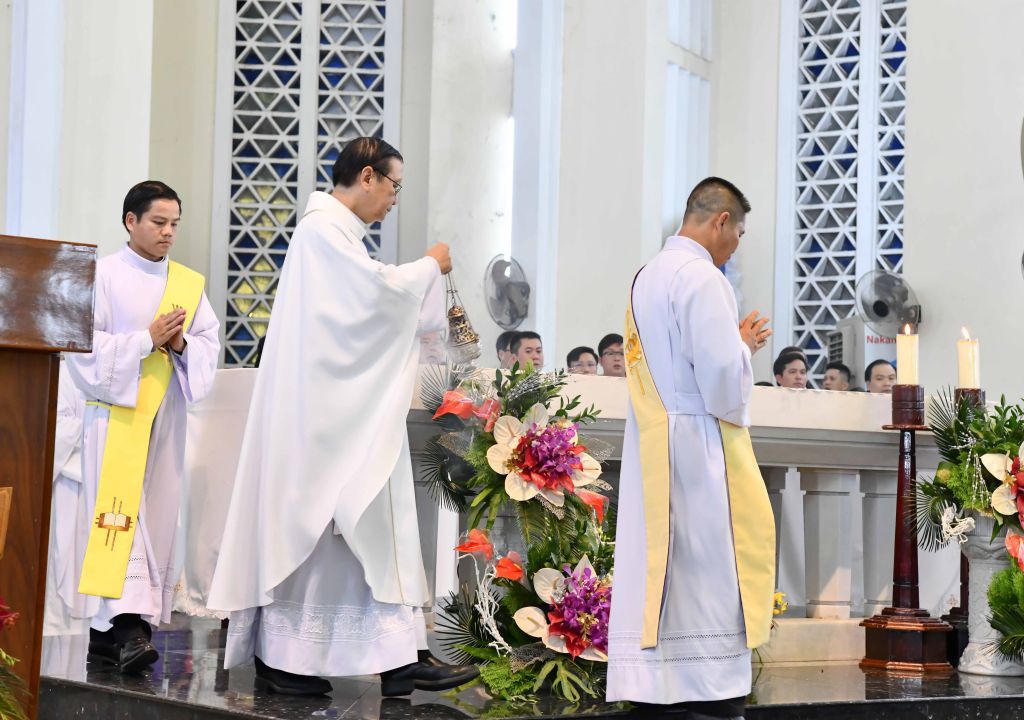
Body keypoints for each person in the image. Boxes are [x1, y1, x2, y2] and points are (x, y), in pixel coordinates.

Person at [207, 137, 478, 696]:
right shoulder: (322, 232)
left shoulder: (339, 236)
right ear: (367, 175)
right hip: (321, 425)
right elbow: (369, 303)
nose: (395, 198)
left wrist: (420, 278)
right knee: (325, 531)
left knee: (366, 526)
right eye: (394, 185)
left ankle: (398, 658)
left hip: (344, 415)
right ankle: (287, 660)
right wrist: (429, 267)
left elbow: (369, 304)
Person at [607, 177, 776, 718]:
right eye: (738, 234)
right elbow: (721, 381)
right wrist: (743, 350)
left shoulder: (646, 276)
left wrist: (733, 346)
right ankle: (709, 685)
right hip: (698, 446)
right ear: (721, 220)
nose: (734, 248)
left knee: (660, 565)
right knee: (707, 567)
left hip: (653, 441)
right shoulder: (704, 277)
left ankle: (655, 685)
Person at [64, 181, 221, 673]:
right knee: (119, 521)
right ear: (131, 221)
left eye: (175, 224)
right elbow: (82, 348)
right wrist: (143, 340)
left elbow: (207, 347)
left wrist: (179, 346)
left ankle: (110, 637)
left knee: (153, 517)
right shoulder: (102, 275)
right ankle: (130, 630)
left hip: (165, 417)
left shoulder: (187, 284)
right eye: (158, 222)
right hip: (115, 419)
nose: (168, 232)